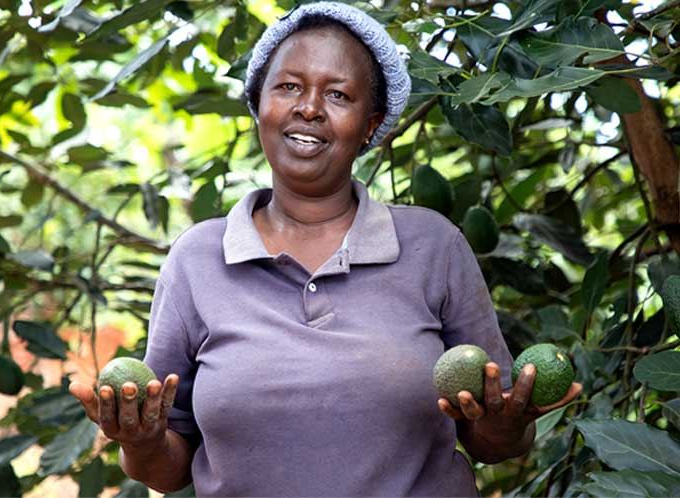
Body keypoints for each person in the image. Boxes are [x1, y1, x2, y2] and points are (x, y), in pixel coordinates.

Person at [70, 2, 582, 496]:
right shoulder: (197, 259)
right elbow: (168, 467)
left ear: (370, 127)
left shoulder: (434, 246)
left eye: (338, 95)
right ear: (259, 105)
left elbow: (491, 437)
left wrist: (507, 424)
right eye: (289, 86)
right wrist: (140, 441)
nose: (309, 107)